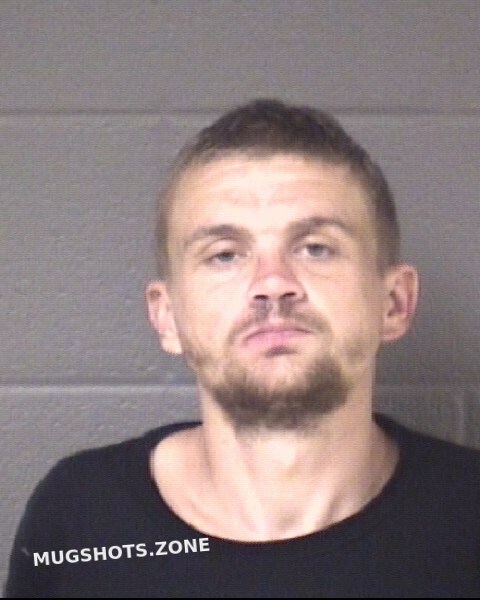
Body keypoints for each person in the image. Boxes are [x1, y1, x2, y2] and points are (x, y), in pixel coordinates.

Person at [6, 99, 480, 598]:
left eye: (315, 248)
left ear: (394, 303)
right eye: (225, 255)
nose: (272, 283)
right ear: (167, 317)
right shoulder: (80, 517)